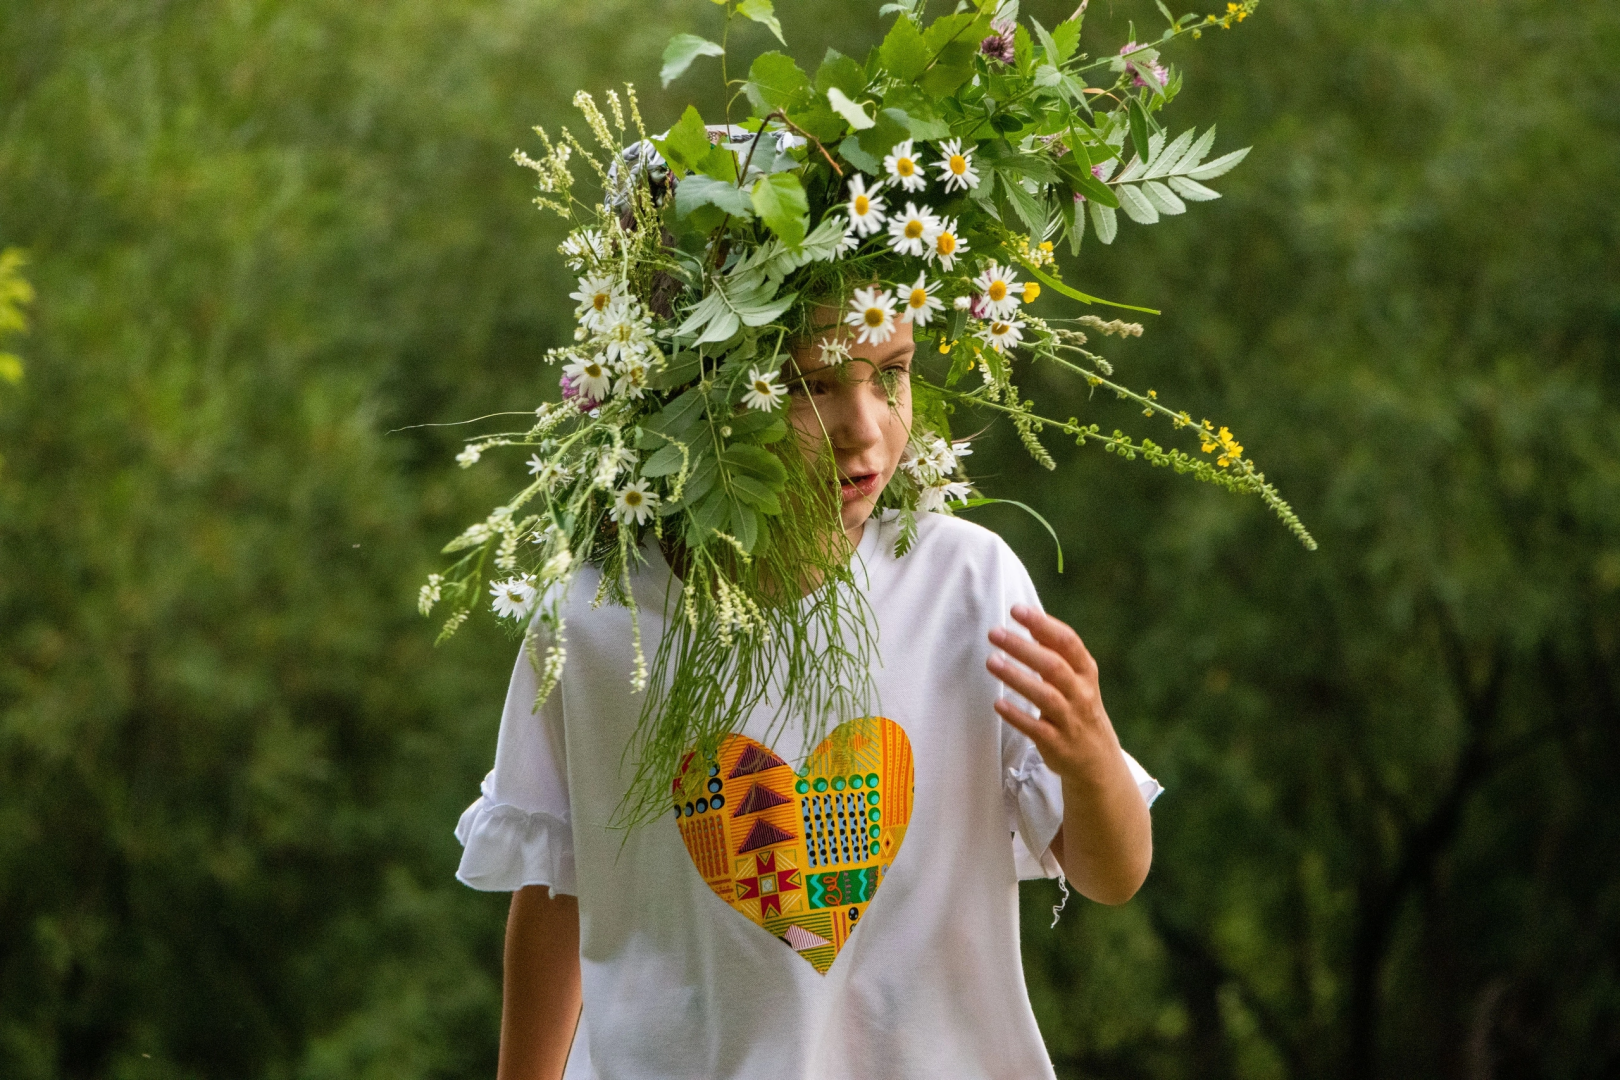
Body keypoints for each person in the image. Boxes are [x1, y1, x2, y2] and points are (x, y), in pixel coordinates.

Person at [454, 310, 1164, 1080]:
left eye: (891, 371)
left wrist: (1091, 756)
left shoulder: (968, 586)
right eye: (811, 385)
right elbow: (558, 886)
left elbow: (1111, 874)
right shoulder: (593, 623)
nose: (864, 428)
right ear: (704, 395)